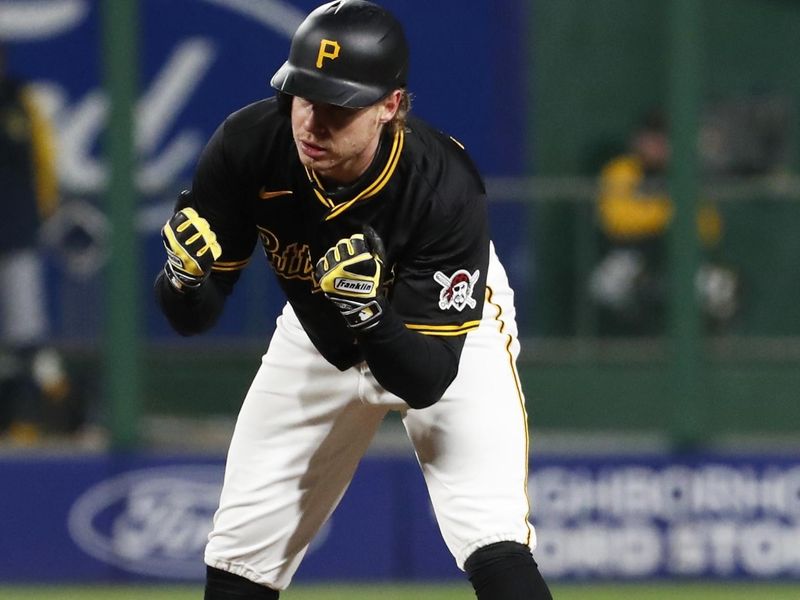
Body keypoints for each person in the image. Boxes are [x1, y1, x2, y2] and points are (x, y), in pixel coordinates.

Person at [155, 2, 553, 598]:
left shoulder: (441, 182)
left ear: (390, 106)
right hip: (317, 328)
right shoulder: (250, 146)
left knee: (491, 538)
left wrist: (368, 312)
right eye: (304, 96)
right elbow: (193, 318)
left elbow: (426, 381)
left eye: (339, 106)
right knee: (238, 558)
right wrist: (183, 281)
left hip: (444, 332)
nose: (313, 122)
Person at [589, 110, 739, 335]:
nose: (656, 146)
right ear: (637, 141)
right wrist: (667, 214)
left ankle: (712, 358)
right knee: (606, 287)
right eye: (650, 139)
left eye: (662, 139)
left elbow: (709, 228)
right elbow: (616, 219)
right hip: (631, 256)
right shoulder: (622, 170)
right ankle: (625, 353)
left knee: (722, 290)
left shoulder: (683, 172)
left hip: (681, 261)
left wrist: (660, 217)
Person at [0, 43, 72, 443]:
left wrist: (39, 214)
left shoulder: (19, 100)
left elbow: (43, 162)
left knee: (25, 336)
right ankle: (52, 389)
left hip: (15, 232)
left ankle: (29, 417)